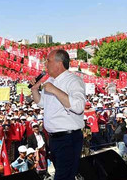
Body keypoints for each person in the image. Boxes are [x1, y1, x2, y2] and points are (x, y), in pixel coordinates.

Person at [31, 49, 85, 180]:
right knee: (65, 175)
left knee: (63, 176)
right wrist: (34, 90)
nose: (45, 64)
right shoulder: (50, 80)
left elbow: (79, 107)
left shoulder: (73, 81)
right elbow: (41, 103)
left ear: (59, 63)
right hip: (54, 139)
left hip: (68, 139)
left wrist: (55, 90)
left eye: (48, 61)